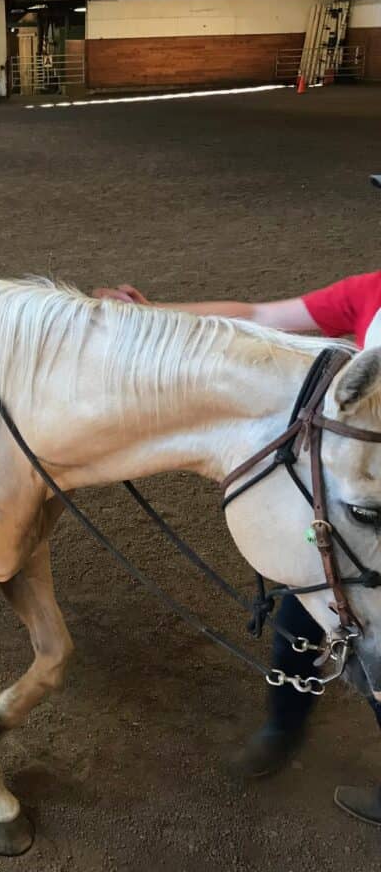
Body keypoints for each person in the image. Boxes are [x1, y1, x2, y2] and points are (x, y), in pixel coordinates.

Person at [93, 272, 381, 824]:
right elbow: (258, 317)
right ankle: (283, 724)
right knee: (304, 608)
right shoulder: (372, 292)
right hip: (360, 501)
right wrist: (153, 312)